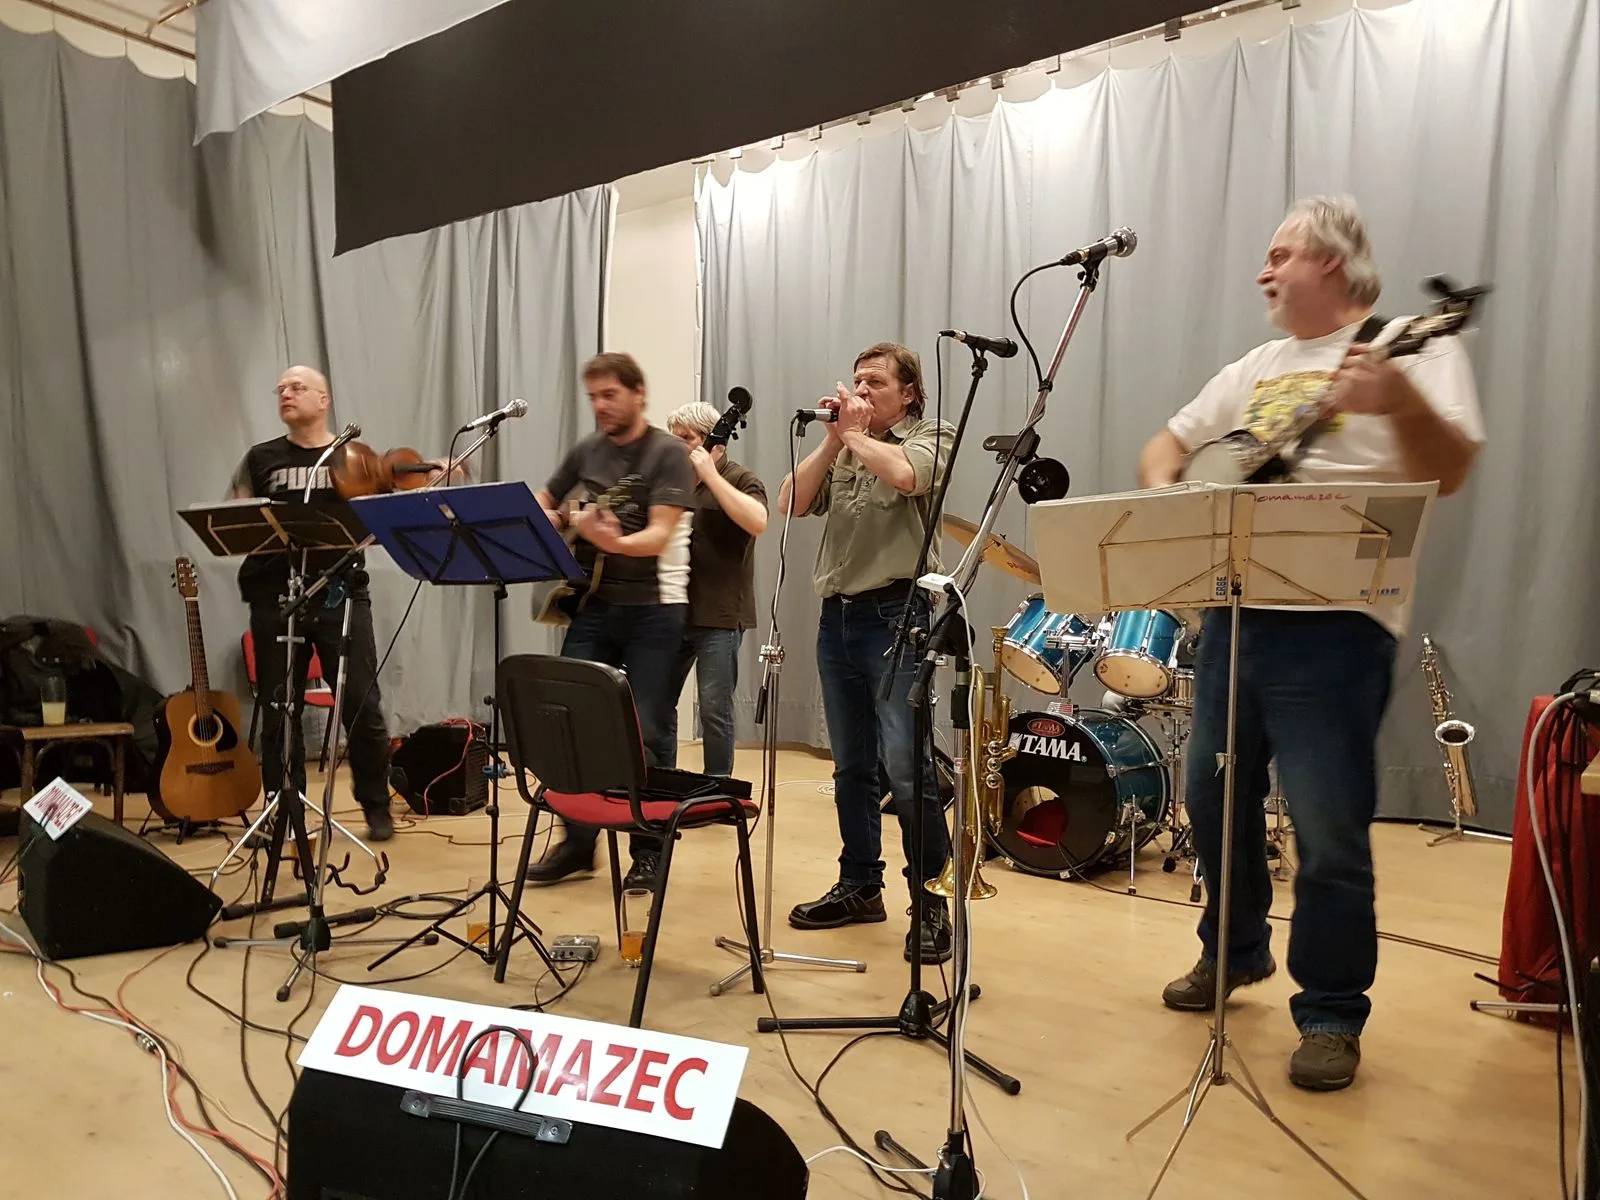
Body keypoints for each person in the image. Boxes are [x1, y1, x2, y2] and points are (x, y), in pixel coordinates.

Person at [1137, 196, 1485, 1091]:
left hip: (1340, 624)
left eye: (1279, 254)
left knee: (1329, 829)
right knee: (1213, 800)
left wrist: (1394, 396)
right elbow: (1167, 443)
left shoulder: (1411, 346)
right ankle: (1233, 950)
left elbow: (1451, 470)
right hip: (1236, 613)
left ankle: (1330, 1009)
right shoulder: (1258, 366)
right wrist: (1174, 496)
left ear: (1331, 260)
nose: (1264, 271)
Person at [778, 342, 955, 964]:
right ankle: (860, 884)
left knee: (907, 768)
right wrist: (834, 439)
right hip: (838, 618)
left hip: (897, 615)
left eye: (875, 382)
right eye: (856, 380)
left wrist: (854, 435)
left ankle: (931, 900)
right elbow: (790, 502)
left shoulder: (932, 435)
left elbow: (907, 477)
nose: (861, 390)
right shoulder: (848, 446)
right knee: (850, 766)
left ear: (908, 393)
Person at [525, 352, 694, 890]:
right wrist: (549, 516)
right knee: (570, 718)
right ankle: (578, 844)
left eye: (610, 395)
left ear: (638, 393)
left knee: (647, 729)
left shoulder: (668, 454)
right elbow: (544, 500)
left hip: (655, 610)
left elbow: (659, 536)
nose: (599, 406)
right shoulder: (587, 450)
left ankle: (648, 848)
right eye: (593, 397)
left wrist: (612, 541)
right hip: (594, 603)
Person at [229, 365, 406, 843]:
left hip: (339, 593)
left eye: (297, 387)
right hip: (275, 594)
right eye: (280, 388)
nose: (285, 394)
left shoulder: (354, 458)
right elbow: (237, 515)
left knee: (362, 704)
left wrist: (429, 475)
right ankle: (283, 810)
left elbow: (387, 514)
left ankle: (376, 804)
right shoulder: (260, 457)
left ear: (323, 399)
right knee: (278, 707)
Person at [663, 401, 768, 779]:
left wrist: (710, 475)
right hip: (673, 610)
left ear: (714, 442)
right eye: (674, 438)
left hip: (720, 614)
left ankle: (718, 788)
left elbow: (758, 521)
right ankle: (660, 781)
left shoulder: (741, 479)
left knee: (714, 708)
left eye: (687, 438)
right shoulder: (673, 481)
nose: (678, 445)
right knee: (657, 701)